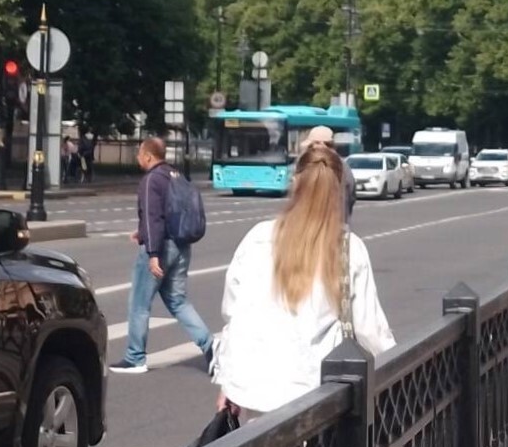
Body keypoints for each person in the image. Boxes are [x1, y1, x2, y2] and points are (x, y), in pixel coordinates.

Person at [212, 139, 394, 420]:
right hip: (315, 395)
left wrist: (227, 381)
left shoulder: (258, 237)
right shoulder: (347, 248)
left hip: (253, 390)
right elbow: (370, 331)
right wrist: (401, 371)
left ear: (294, 183)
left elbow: (234, 314)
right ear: (339, 191)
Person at [113, 137, 211, 374]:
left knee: (139, 303)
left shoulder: (151, 180)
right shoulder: (175, 175)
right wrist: (142, 232)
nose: (138, 158)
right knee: (178, 301)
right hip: (182, 245)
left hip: (162, 247)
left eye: (139, 154)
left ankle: (135, 358)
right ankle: (210, 346)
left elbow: (153, 217)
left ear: (148, 156)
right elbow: (171, 213)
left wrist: (153, 253)